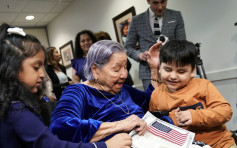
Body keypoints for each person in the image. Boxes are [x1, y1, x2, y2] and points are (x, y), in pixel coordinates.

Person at [0, 23, 132, 148]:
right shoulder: (16, 110)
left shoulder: (12, 106)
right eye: (36, 67)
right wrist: (106, 145)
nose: (42, 74)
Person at [49, 40, 161, 143]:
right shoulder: (78, 92)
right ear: (95, 69)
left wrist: (154, 68)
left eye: (125, 67)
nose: (125, 75)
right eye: (116, 69)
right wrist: (120, 125)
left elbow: (150, 102)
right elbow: (59, 126)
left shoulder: (122, 88)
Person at [149, 40, 236, 148]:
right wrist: (171, 120)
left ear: (192, 71)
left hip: (219, 143)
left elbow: (225, 111)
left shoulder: (203, 85)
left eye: (181, 72)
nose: (173, 76)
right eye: (167, 69)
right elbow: (154, 125)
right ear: (160, 68)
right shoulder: (156, 95)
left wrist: (195, 116)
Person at [125, 0, 186, 90]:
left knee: (177, 102)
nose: (160, 7)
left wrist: (171, 47)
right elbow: (128, 47)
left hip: (173, 69)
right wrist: (139, 55)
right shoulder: (136, 20)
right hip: (148, 72)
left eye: (163, 2)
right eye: (155, 3)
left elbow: (182, 44)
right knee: (154, 102)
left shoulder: (176, 15)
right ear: (148, 1)